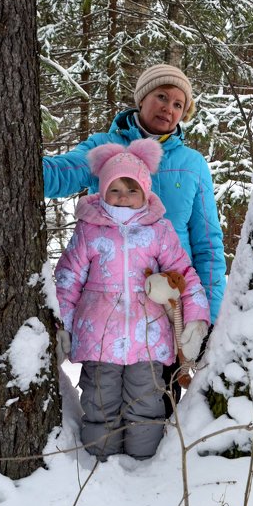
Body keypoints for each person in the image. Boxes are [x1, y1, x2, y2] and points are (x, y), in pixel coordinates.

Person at [54, 140, 210, 460]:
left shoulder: (159, 230)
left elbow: (183, 274)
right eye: (115, 189)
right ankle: (101, 461)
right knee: (99, 400)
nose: (123, 197)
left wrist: (195, 319)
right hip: (98, 336)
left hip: (148, 337)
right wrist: (63, 327)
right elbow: (68, 279)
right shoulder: (89, 230)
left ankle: (143, 463)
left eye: (132, 189)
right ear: (101, 191)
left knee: (146, 401)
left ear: (145, 193)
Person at [44, 63, 226, 323]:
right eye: (161, 96)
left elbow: (207, 245)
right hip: (111, 305)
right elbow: (60, 175)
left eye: (178, 105)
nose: (168, 108)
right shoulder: (106, 147)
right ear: (142, 98)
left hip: (170, 305)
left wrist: (209, 314)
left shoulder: (192, 164)